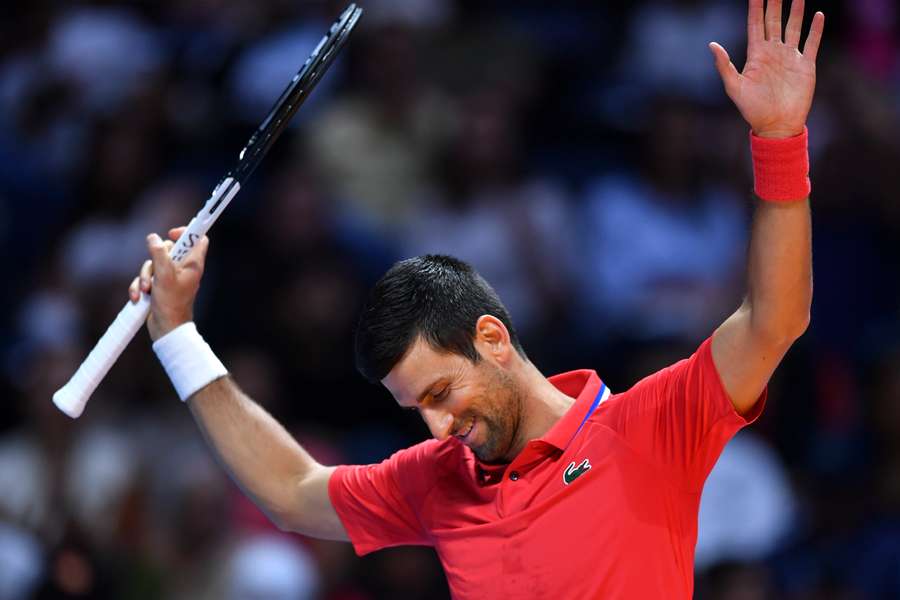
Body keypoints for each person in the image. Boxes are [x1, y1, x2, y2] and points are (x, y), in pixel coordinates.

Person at [127, 1, 824, 597]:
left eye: (439, 393)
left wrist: (779, 139)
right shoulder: (438, 478)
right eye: (417, 409)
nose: (437, 428)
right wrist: (177, 334)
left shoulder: (648, 428)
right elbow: (293, 491)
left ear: (491, 338)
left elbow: (775, 320)